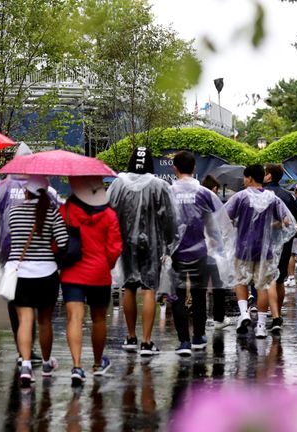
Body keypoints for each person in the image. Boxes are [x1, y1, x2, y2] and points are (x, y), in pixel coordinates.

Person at [0, 143, 60, 365]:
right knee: (38, 309)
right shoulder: (45, 188)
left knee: (17, 304)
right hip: (42, 256)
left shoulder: (3, 186)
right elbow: (58, 215)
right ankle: (30, 350)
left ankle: (22, 351)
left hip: (9, 253)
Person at [108, 146, 177, 356]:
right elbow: (170, 217)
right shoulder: (159, 185)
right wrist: (169, 241)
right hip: (152, 244)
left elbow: (108, 209)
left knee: (128, 286)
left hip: (125, 242)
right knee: (149, 289)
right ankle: (146, 342)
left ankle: (130, 337)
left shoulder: (118, 183)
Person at [168, 151, 234, 356]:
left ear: (175, 168)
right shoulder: (205, 193)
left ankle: (183, 342)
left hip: (176, 252)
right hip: (201, 251)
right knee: (198, 293)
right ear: (194, 169)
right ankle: (198, 336)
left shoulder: (168, 192)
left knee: (178, 295)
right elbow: (217, 223)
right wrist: (220, 249)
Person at [60, 175, 122, 385]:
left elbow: (57, 240)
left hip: (72, 273)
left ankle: (77, 366)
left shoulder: (66, 210)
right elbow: (115, 248)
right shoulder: (109, 215)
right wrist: (107, 265)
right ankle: (97, 363)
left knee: (74, 318)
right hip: (99, 274)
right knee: (99, 319)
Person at [7, 175, 68, 387]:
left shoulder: (13, 213)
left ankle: (25, 365)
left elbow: (12, 238)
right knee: (44, 321)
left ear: (27, 191)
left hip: (20, 274)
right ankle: (46, 363)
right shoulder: (52, 213)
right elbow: (62, 242)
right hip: (46, 274)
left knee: (25, 320)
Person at [225, 164, 296, 338]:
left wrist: (237, 223)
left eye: (244, 177)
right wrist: (273, 225)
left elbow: (225, 217)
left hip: (243, 247)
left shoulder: (240, 197)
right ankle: (262, 326)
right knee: (262, 286)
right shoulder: (273, 199)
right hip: (265, 250)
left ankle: (244, 314)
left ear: (249, 178)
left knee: (241, 281)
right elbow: (288, 222)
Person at [263, 163, 297, 335]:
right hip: (284, 242)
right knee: (279, 279)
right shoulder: (287, 196)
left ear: (269, 176)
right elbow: (291, 221)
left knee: (265, 279)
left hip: (263, 242)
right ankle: (277, 311)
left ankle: (270, 311)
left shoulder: (259, 194)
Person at [202, 175, 233, 329]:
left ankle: (199, 318)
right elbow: (225, 226)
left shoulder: (195, 198)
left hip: (196, 249)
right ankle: (219, 318)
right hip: (214, 250)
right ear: (213, 188)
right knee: (218, 284)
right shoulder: (212, 201)